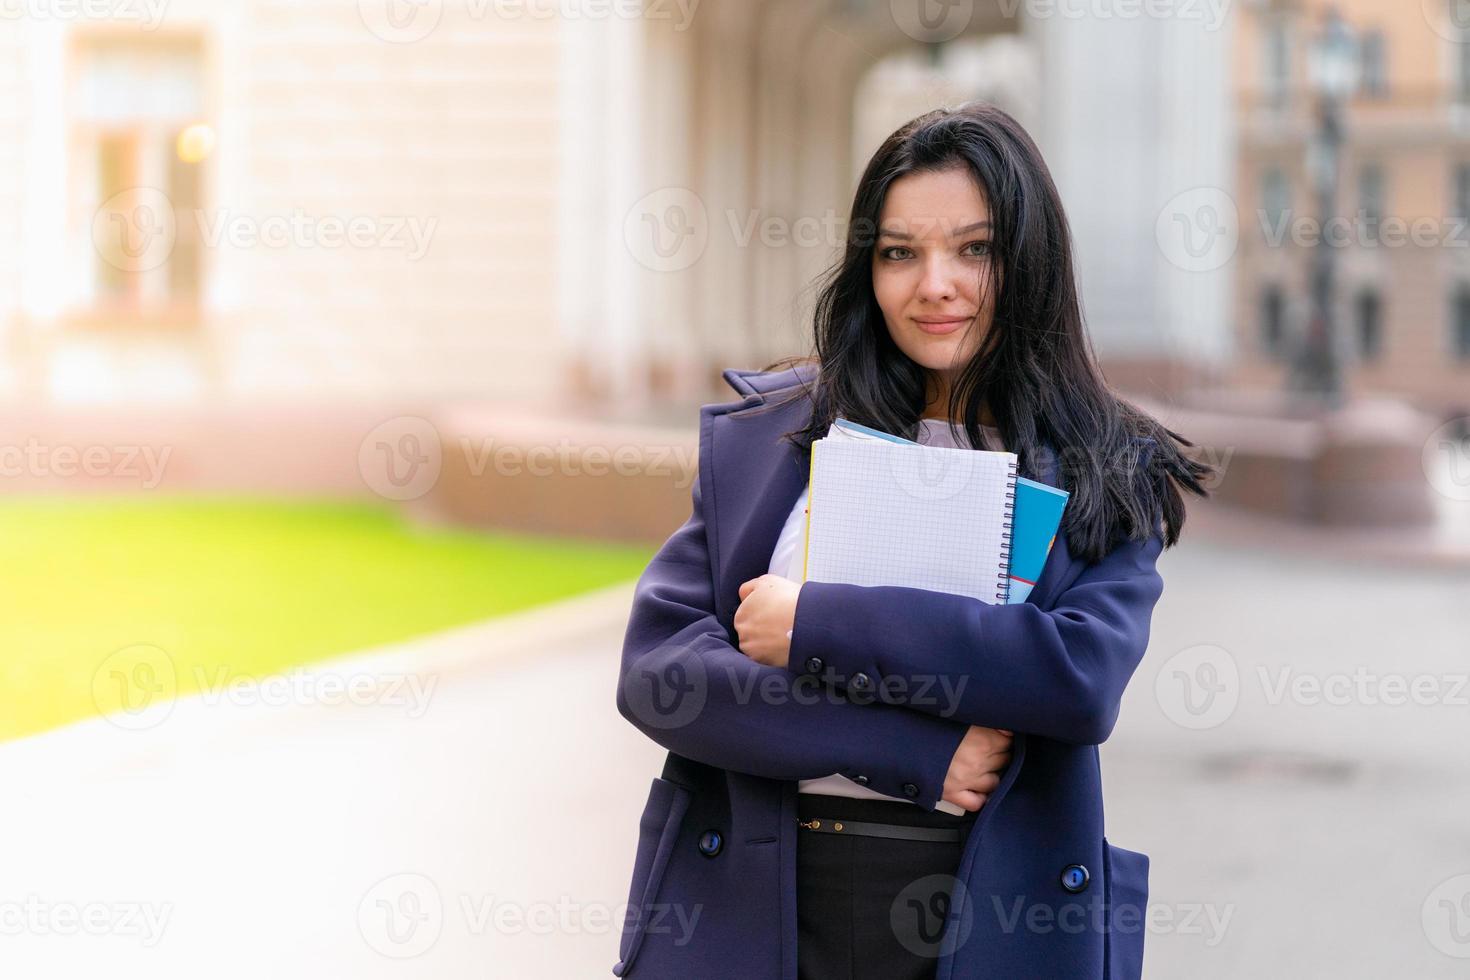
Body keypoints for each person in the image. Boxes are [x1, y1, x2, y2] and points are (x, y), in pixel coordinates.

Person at [612, 102, 1213, 980]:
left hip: (988, 920)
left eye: (975, 249)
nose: (935, 283)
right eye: (900, 252)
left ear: (1031, 260)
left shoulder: (1108, 469)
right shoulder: (771, 440)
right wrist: (912, 751)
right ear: (869, 269)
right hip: (761, 912)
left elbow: (1076, 679)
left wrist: (816, 624)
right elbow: (662, 673)